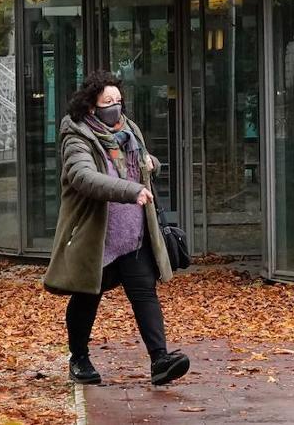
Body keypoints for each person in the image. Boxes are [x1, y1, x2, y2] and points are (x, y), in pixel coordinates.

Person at [42, 71, 190, 386]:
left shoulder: (129, 130)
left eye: (119, 101)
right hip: (97, 239)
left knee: (144, 293)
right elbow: (83, 177)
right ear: (91, 107)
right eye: (108, 102)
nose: (116, 107)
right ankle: (79, 358)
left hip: (133, 236)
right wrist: (129, 190)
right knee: (86, 297)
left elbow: (138, 164)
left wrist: (152, 162)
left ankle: (160, 360)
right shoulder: (78, 136)